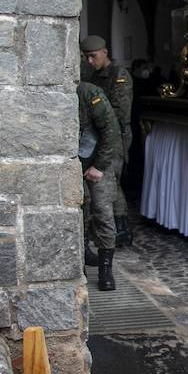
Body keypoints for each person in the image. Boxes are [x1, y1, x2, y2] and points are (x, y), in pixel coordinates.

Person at [81, 35, 135, 247]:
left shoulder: (118, 75)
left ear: (104, 52)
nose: (90, 62)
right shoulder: (94, 75)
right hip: (99, 135)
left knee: (113, 181)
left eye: (93, 56)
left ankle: (121, 229)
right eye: (86, 57)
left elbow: (119, 113)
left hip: (116, 135)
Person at [77, 79, 123, 291]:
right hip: (75, 163)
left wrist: (99, 166)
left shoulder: (89, 93)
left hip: (98, 162)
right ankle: (82, 260)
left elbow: (111, 131)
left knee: (103, 211)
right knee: (79, 213)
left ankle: (106, 271)